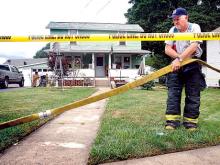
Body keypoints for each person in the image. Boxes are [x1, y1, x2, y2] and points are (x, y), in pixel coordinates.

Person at [164, 7, 206, 130]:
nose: (175, 22)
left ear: (186, 17)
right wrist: (178, 58)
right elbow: (167, 49)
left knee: (193, 94)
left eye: (178, 19)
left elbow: (193, 47)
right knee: (173, 93)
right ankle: (172, 122)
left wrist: (179, 59)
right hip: (177, 64)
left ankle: (190, 123)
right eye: (174, 20)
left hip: (192, 63)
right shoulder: (172, 30)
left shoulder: (194, 27)